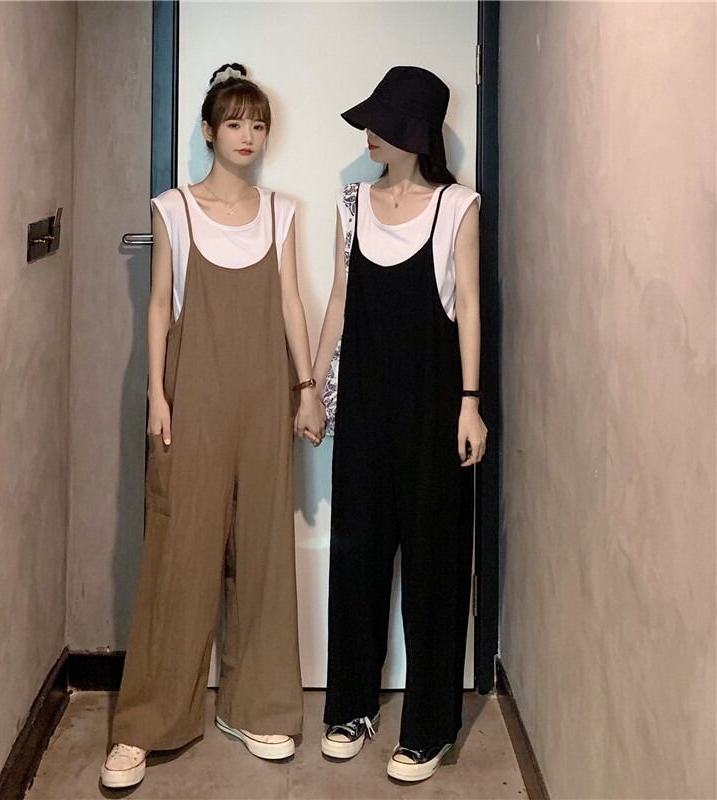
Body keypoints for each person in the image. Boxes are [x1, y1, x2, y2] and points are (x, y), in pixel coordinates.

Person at [100, 63, 322, 790]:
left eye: (258, 124)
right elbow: (159, 304)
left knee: (262, 548)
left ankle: (259, 707)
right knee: (181, 550)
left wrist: (307, 390)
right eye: (234, 123)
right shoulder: (175, 209)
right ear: (208, 131)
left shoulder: (281, 211)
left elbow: (291, 304)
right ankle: (146, 723)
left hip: (264, 395)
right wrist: (157, 396)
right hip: (191, 393)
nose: (248, 135)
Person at [312, 66, 487, 783]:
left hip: (434, 406)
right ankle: (350, 706)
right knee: (356, 554)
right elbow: (339, 300)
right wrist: (312, 390)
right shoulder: (352, 203)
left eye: (383, 122)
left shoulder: (458, 207)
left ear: (417, 133)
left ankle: (429, 726)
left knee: (433, 563)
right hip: (363, 404)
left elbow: (469, 304)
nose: (370, 133)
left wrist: (470, 401)